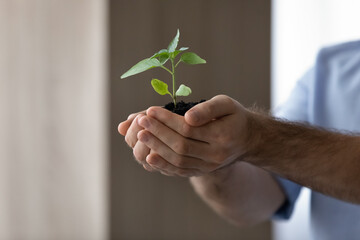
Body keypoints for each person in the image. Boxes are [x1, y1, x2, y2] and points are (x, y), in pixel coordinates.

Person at [118, 40, 360, 240]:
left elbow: (266, 143)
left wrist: (254, 137)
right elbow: (257, 203)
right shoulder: (328, 69)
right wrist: (211, 157)